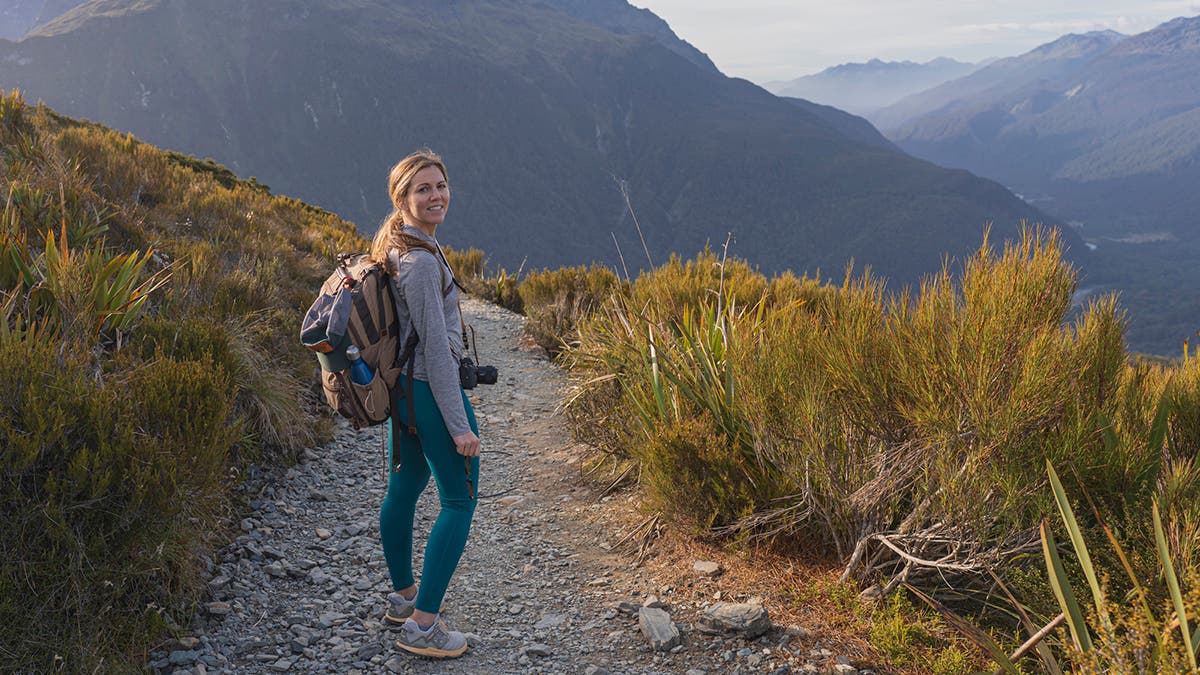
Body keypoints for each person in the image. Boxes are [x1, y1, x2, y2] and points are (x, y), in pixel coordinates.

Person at [370, 149, 481, 659]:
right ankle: (422, 625)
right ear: (402, 198)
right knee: (459, 500)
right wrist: (459, 426)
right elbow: (436, 352)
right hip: (428, 392)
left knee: (407, 485)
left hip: (404, 394)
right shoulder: (417, 262)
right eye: (423, 189)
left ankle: (403, 597)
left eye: (440, 184)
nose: (436, 195)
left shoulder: (400, 246)